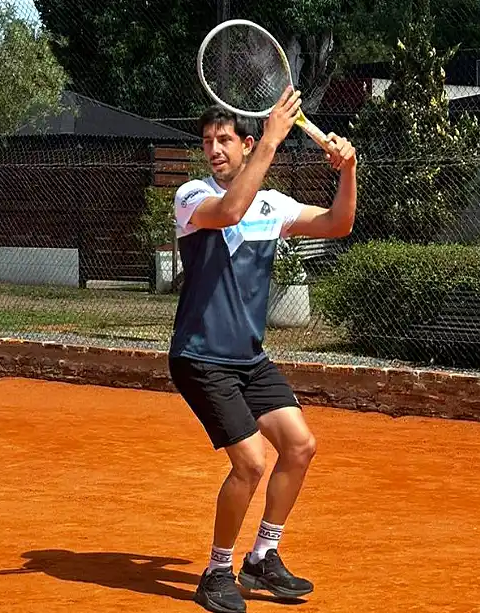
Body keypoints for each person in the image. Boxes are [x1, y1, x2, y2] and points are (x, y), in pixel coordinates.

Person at [168, 86, 357, 613]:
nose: (214, 149)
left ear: (243, 144)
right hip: (201, 356)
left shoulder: (274, 206)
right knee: (250, 462)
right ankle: (216, 570)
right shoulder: (191, 196)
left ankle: (262, 556)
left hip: (249, 359)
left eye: (225, 139)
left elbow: (338, 224)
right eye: (208, 141)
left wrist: (347, 170)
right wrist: (273, 143)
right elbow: (229, 211)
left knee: (299, 446)